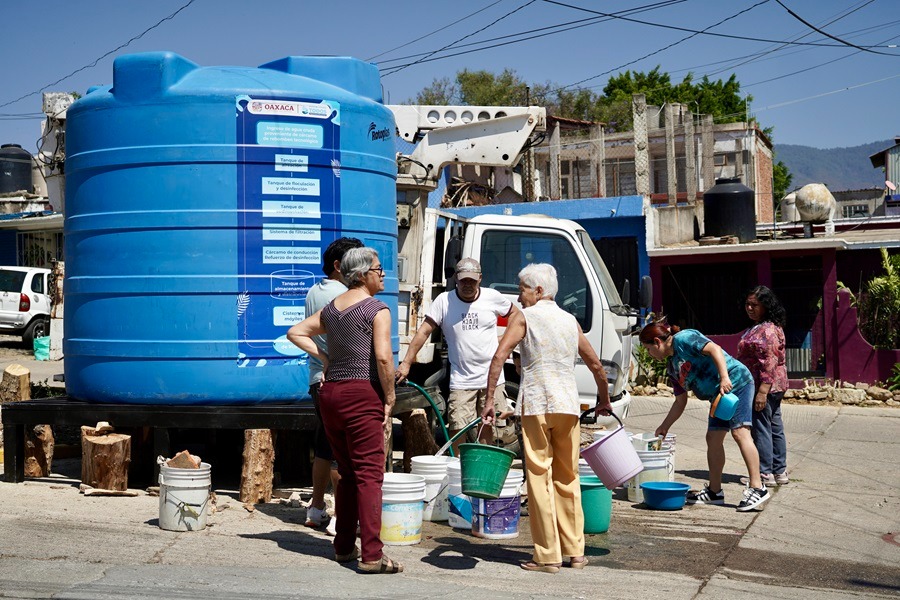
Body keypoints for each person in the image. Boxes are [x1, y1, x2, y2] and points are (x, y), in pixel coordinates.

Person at [482, 263, 611, 573]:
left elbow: (499, 356)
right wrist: (604, 398)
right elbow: (596, 365)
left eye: (522, 289)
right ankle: (576, 552)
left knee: (539, 479)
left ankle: (547, 556)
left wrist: (489, 400)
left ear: (538, 291)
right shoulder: (570, 320)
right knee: (568, 477)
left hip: (537, 404)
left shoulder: (525, 317)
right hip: (568, 405)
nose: (519, 296)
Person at [287, 247, 402, 574]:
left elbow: (295, 331)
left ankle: (343, 548)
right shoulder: (376, 309)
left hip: (331, 394)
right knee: (369, 474)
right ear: (362, 274)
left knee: (349, 472)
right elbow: (382, 358)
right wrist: (390, 397)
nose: (382, 274)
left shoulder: (332, 309)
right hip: (360, 392)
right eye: (378, 269)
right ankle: (372, 555)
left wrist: (323, 358)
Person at [639, 321, 771, 512]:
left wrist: (725, 377)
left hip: (737, 383)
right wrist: (664, 426)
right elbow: (680, 401)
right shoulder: (672, 368)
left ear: (657, 342)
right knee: (713, 438)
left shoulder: (683, 339)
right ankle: (714, 492)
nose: (650, 355)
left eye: (649, 349)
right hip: (719, 398)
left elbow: (715, 349)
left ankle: (758, 487)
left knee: (740, 433)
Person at [396, 257, 518, 455]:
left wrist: (506, 341)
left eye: (472, 280)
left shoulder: (492, 297)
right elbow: (424, 332)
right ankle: (457, 468)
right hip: (462, 379)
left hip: (492, 378)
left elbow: (517, 316)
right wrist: (407, 362)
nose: (467, 285)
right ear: (456, 279)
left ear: (480, 279)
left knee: (488, 425)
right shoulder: (444, 301)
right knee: (457, 426)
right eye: (463, 281)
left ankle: (481, 466)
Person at [302, 237, 363, 535]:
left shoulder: (316, 290)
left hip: (317, 381)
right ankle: (342, 516)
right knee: (343, 453)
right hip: (340, 381)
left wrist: (321, 358)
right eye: (355, 263)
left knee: (324, 449)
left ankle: (315, 509)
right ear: (339, 266)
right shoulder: (345, 295)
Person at [736, 286, 789, 487]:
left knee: (762, 429)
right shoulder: (764, 326)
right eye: (747, 304)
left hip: (765, 387)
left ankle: (765, 472)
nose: (749, 308)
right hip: (773, 385)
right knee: (774, 427)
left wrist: (762, 392)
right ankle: (779, 471)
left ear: (765, 306)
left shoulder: (766, 330)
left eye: (755, 305)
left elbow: (769, 361)